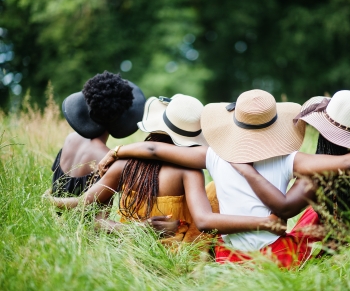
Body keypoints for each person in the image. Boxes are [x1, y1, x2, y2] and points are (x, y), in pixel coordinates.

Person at [97, 89, 350, 267]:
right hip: (278, 257)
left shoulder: (214, 155)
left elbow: (155, 149)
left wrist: (117, 150)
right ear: (274, 127)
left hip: (229, 257)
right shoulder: (290, 159)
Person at [51, 94, 286, 243]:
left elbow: (88, 210)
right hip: (177, 245)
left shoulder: (124, 165)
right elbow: (203, 219)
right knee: (214, 191)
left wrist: (49, 200)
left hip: (131, 247)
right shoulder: (189, 171)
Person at [230, 90, 350, 247]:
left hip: (331, 243)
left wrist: (246, 170)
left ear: (325, 137)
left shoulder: (318, 176)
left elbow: (284, 209)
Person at [50, 71, 145, 197]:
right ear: (121, 117)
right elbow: (100, 216)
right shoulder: (107, 159)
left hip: (52, 215)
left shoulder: (70, 139)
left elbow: (55, 186)